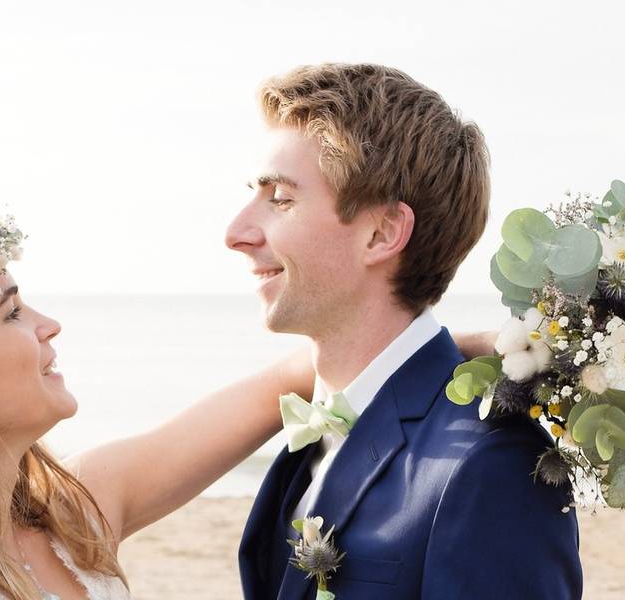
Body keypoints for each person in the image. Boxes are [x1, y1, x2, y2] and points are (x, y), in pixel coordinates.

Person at [0, 211, 494, 599]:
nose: (49, 324)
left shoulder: (74, 513)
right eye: (13, 311)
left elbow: (293, 378)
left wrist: (486, 345)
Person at [227, 63, 583, 599]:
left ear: (382, 233)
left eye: (280, 198)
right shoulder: (311, 437)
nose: (236, 233)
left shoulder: (489, 467)